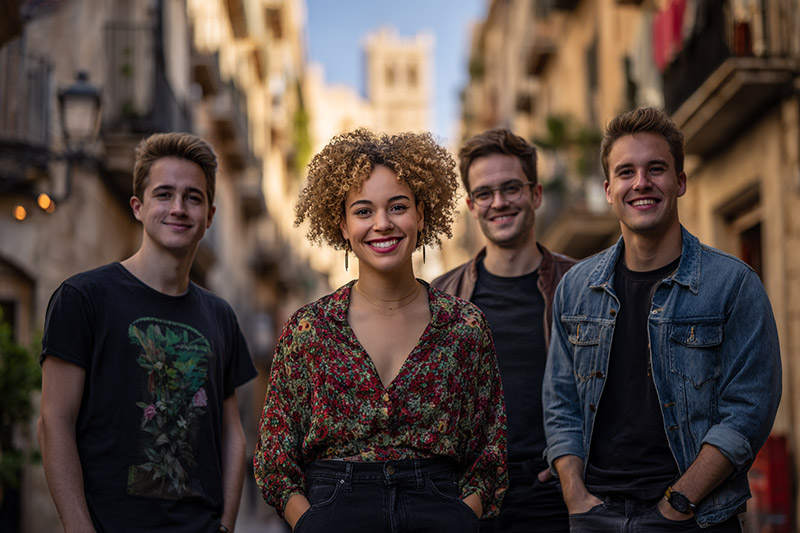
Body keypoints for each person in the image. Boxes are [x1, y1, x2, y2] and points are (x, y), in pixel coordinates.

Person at [253, 129, 507, 532]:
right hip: (333, 514)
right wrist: (310, 522)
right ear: (342, 224)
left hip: (438, 514)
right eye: (363, 211)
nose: (382, 224)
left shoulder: (464, 327)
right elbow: (275, 458)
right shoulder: (309, 330)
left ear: (421, 213)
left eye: (398, 207)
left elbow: (490, 452)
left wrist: (460, 515)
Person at [543, 107, 781, 532]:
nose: (641, 183)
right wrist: (576, 497)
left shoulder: (733, 284)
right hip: (597, 515)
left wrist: (679, 504)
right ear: (608, 190)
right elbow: (561, 404)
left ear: (680, 181)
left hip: (696, 517)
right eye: (626, 172)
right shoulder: (576, 288)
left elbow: (749, 410)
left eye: (656, 168)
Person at [37, 132, 257, 532]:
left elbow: (232, 434)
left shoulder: (221, 315)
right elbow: (54, 421)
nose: (178, 208)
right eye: (164, 194)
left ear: (209, 215)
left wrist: (225, 527)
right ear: (138, 207)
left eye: (193, 197)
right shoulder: (83, 298)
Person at [432, 128, 573, 532]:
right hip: (467, 496)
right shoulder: (441, 297)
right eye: (484, 193)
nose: (498, 202)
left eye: (511, 188)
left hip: (556, 492)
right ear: (471, 206)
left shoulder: (581, 284)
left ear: (536, 194)